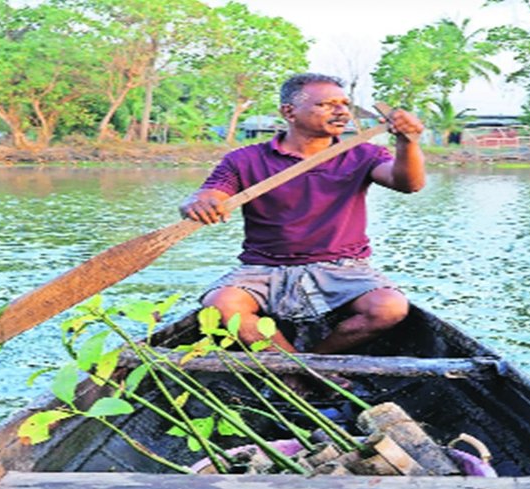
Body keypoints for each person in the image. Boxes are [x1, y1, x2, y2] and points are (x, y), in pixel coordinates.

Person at [179, 72, 425, 363]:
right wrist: (199, 203)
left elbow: (408, 184)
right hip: (263, 267)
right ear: (289, 112)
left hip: (342, 267)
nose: (341, 111)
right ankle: (302, 373)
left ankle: (305, 367)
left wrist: (408, 142)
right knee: (221, 305)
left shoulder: (364, 155)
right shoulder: (244, 159)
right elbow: (211, 195)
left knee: (389, 308)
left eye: (344, 104)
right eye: (327, 104)